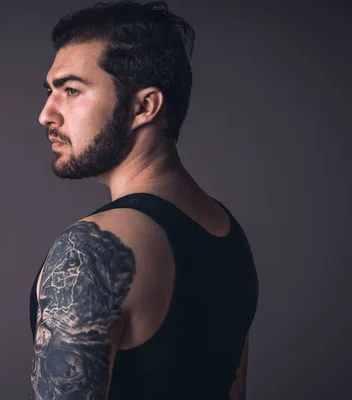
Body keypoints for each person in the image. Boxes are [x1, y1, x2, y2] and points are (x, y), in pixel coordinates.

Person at [28, 1, 259, 399]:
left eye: (70, 90)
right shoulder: (223, 229)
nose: (47, 113)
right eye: (50, 91)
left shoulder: (89, 249)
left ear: (144, 106)